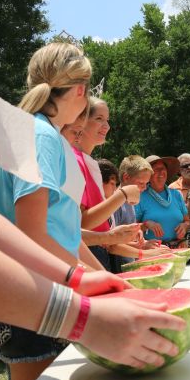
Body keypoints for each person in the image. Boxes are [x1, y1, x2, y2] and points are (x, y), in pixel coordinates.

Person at [0, 0, 184, 380]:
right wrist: (78, 296)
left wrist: (83, 275)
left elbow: (3, 225)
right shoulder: (41, 137)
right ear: (73, 92)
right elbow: (33, 230)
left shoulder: (34, 134)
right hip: (32, 303)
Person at [73, 97, 142, 271]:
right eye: (99, 119)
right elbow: (80, 223)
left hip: (94, 251)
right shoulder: (75, 160)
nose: (107, 126)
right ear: (80, 121)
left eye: (107, 120)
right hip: (85, 253)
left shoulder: (88, 163)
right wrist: (123, 195)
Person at [135, 155, 190, 248]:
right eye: (156, 169)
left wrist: (184, 226)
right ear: (148, 175)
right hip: (153, 251)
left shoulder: (176, 195)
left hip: (178, 249)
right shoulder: (140, 197)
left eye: (163, 168)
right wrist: (147, 224)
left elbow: (187, 221)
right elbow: (132, 228)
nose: (161, 172)